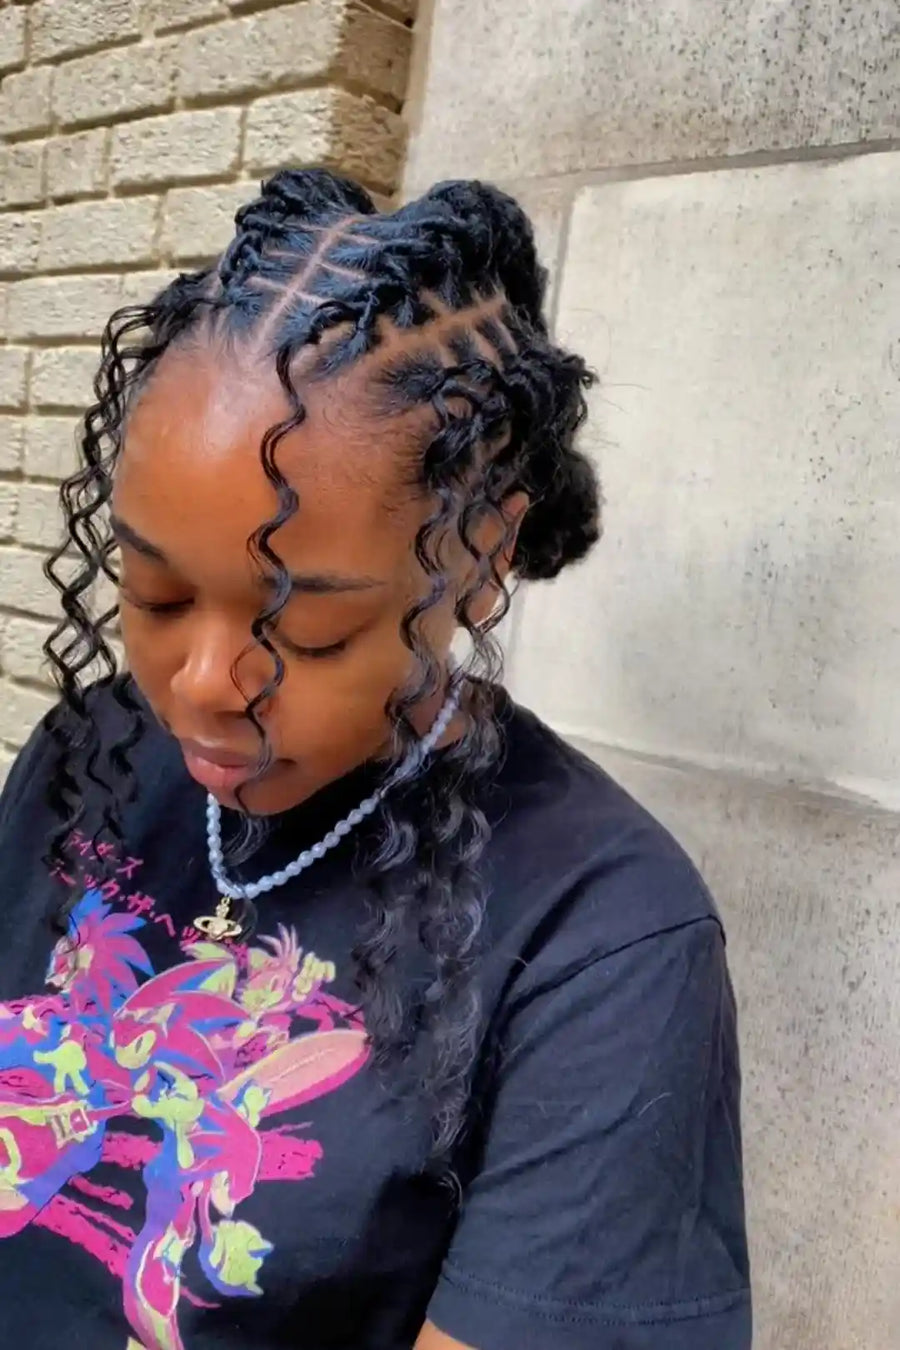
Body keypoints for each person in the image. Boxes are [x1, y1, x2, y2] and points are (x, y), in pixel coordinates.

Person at [0, 169, 750, 1350]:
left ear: (482, 551)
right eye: (153, 592)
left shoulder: (604, 939)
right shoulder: (82, 753)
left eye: (305, 627)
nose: (202, 683)